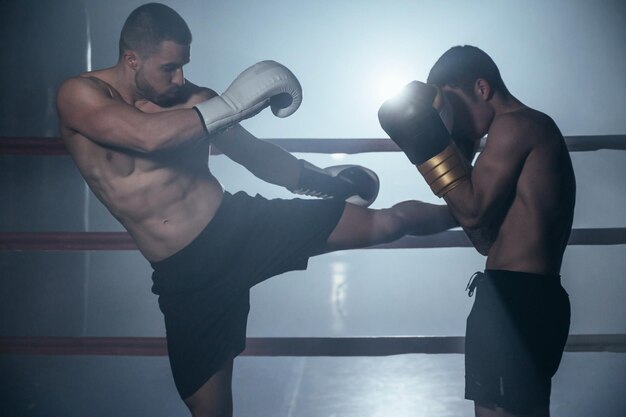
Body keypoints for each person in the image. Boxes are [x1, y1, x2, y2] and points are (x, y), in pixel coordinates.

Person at [56, 3, 457, 416]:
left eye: (184, 66)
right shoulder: (80, 96)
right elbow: (146, 138)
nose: (179, 79)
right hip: (186, 274)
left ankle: (468, 211)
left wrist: (324, 183)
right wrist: (234, 102)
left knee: (385, 224)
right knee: (211, 411)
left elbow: (258, 158)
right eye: (168, 68)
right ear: (132, 59)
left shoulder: (197, 101)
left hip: (241, 226)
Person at [379, 45, 575, 417]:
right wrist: (459, 152)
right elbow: (483, 239)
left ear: (481, 88)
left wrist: (429, 146)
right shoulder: (518, 133)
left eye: (450, 105)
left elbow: (472, 212)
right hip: (520, 296)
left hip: (517, 302)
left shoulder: (516, 125)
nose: (447, 119)